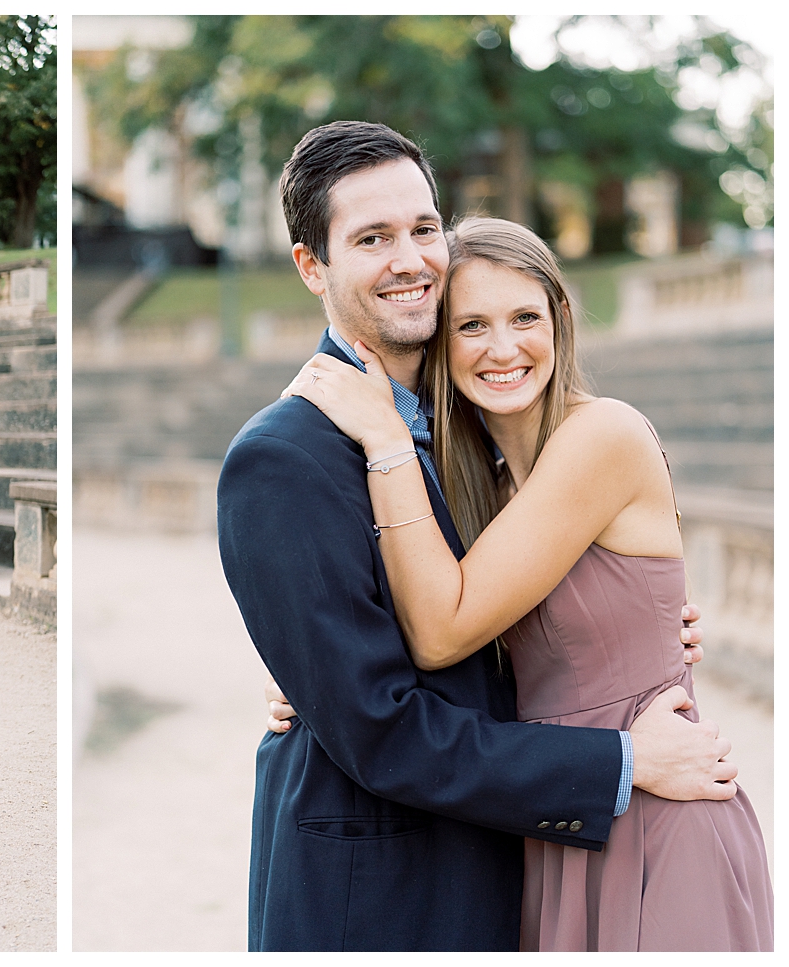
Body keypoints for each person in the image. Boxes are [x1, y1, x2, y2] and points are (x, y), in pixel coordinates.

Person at [215, 120, 737, 951]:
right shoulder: (281, 459)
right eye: (372, 237)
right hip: (383, 899)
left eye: (424, 229)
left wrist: (626, 621)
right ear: (312, 265)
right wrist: (622, 761)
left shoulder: (480, 446)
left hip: (525, 864)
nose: (410, 258)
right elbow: (378, 726)